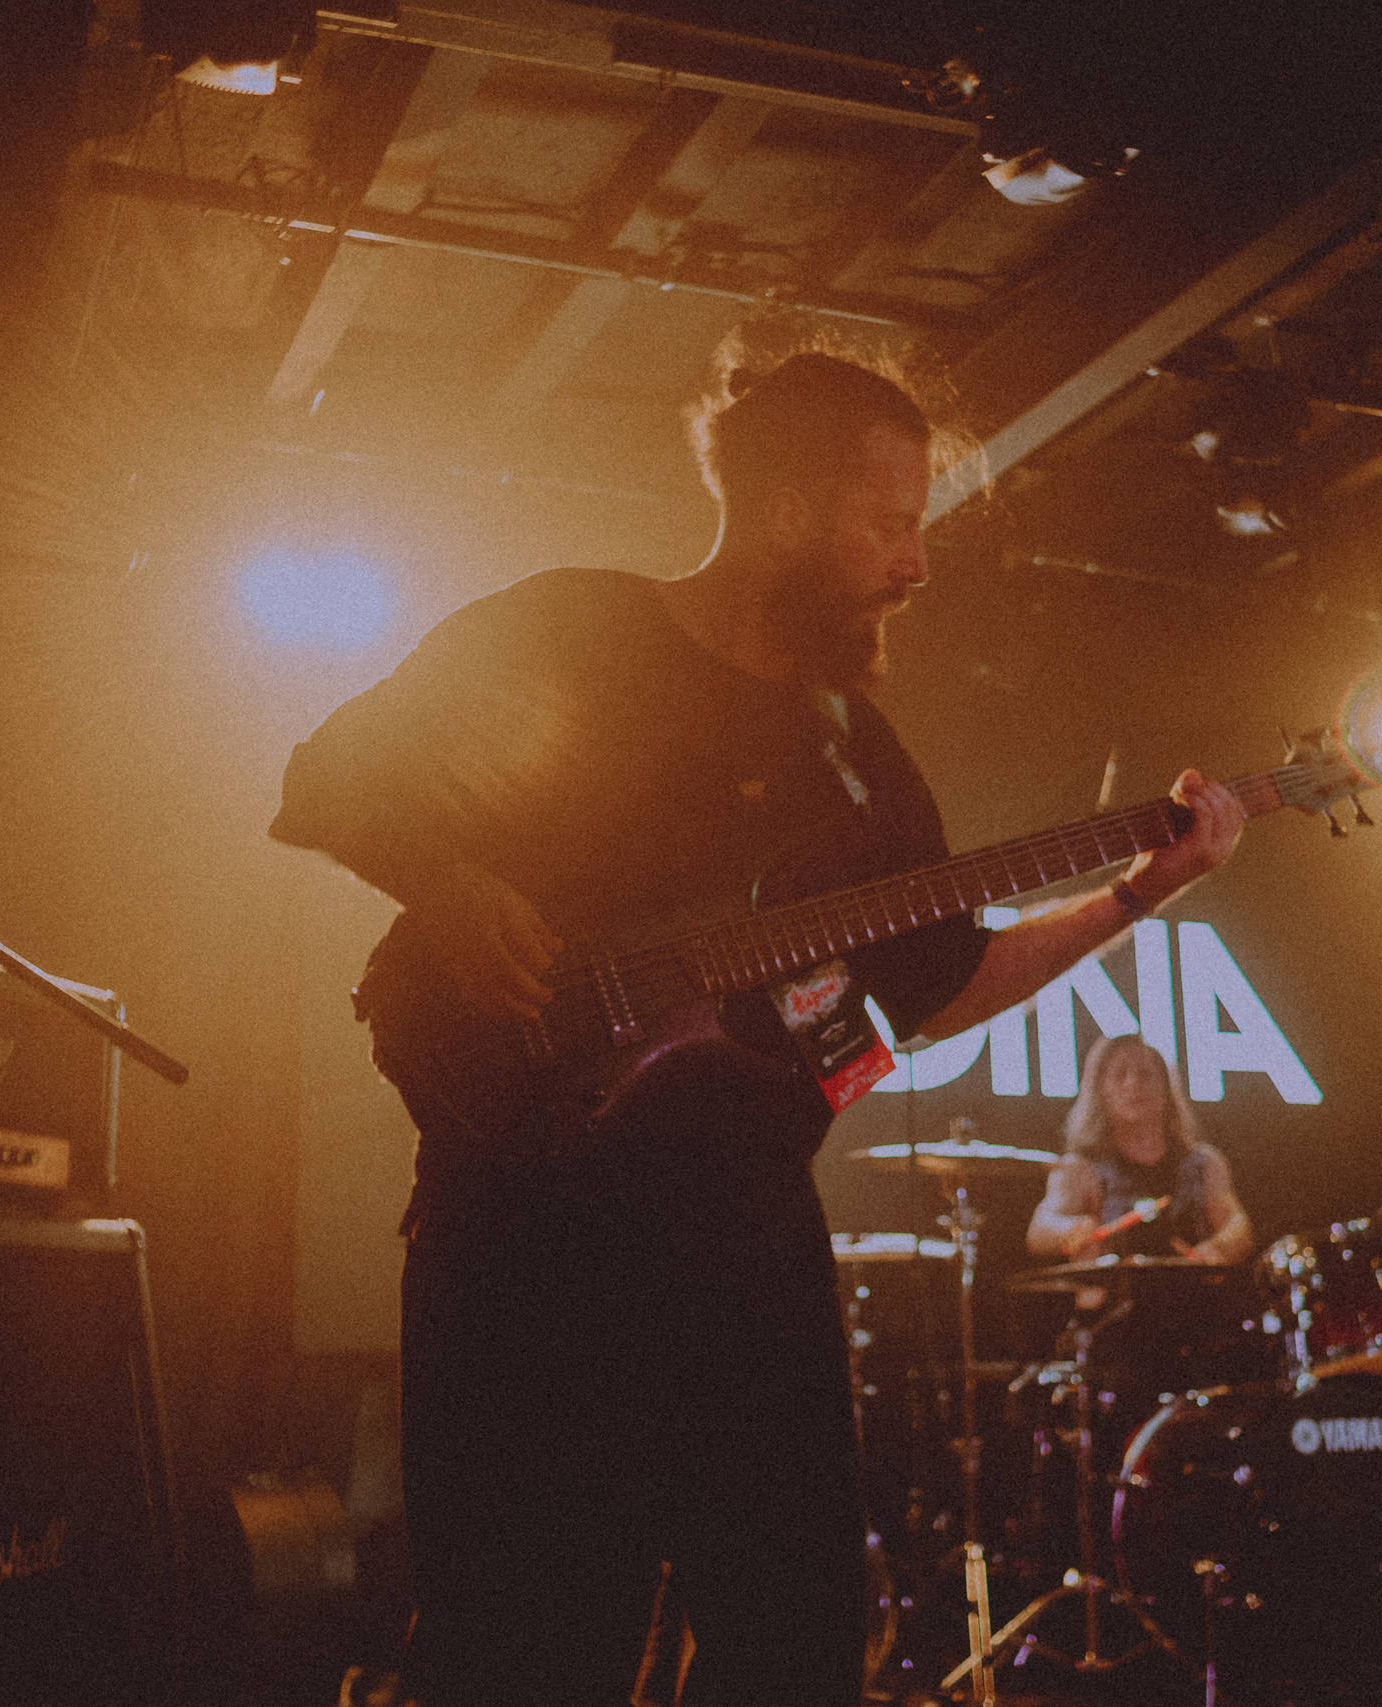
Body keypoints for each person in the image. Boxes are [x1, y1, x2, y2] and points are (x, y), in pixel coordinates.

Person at [269, 349, 1245, 1707]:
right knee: (522, 1651)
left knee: (786, 1649)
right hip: (525, 1244)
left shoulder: (856, 755)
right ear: (786, 508)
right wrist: (443, 881)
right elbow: (327, 774)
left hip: (744, 1258)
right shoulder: (572, 631)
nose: (916, 565)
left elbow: (943, 981)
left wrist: (1146, 884)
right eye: (890, 522)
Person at [1027, 1035, 1254, 1266]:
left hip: (1194, 1296)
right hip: (1111, 1298)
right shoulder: (1079, 1167)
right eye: (1120, 1075)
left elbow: (1237, 1224)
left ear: (1166, 1087)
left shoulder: (1205, 1162)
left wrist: (1216, 1248)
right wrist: (1070, 1229)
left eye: (1145, 1074)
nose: (1133, 1083)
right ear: (1101, 1091)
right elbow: (1040, 1228)